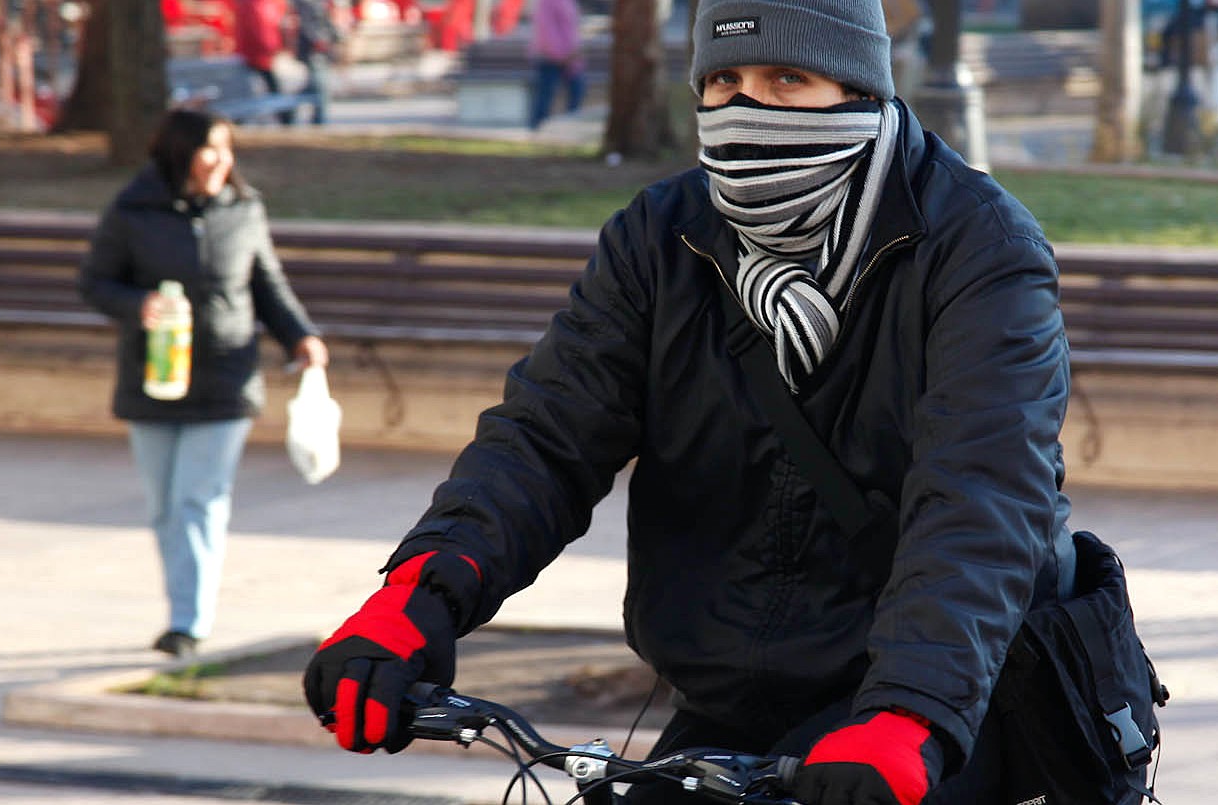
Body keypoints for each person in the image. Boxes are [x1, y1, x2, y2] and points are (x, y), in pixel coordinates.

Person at [303, 0, 1075, 803]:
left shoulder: (979, 247)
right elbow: (545, 438)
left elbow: (983, 495)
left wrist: (911, 711)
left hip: (928, 702)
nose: (748, 111)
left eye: (787, 79)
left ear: (858, 90)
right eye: (724, 80)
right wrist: (418, 596)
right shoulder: (660, 236)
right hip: (730, 708)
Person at [80, 109, 329, 658]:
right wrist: (138, 304)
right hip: (155, 379)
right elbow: (95, 283)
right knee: (165, 506)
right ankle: (182, 609)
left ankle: (187, 622)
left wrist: (301, 338)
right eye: (210, 150)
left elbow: (268, 285)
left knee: (199, 499)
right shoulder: (132, 210)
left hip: (226, 377)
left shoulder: (244, 209)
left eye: (227, 149)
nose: (222, 161)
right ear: (180, 154)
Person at [233, 0, 295, 125]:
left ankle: (285, 117)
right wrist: (272, 48)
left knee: (256, 87)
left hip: (250, 53)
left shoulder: (251, 4)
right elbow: (261, 29)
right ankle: (285, 118)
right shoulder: (258, 5)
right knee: (271, 87)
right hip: (258, 54)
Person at [526, 0, 585, 130]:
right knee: (545, 96)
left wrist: (574, 52)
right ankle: (536, 129)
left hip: (570, 58)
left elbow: (570, 28)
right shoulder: (546, 2)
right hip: (549, 57)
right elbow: (546, 30)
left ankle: (570, 128)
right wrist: (561, 54)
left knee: (577, 91)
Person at [289, 0, 342, 125]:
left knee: (315, 87)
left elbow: (325, 20)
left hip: (322, 48)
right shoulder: (304, 3)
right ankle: (319, 121)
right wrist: (318, 41)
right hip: (313, 49)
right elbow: (305, 23)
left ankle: (289, 110)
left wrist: (336, 37)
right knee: (320, 87)